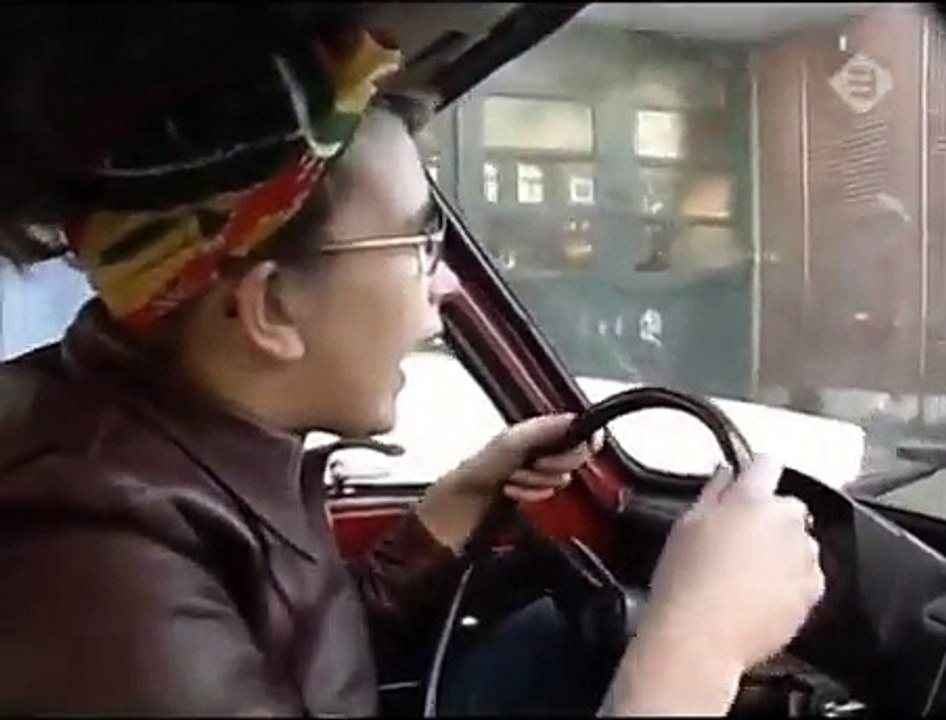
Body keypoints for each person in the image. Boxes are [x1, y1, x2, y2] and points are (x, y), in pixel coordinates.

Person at [0, 6, 824, 716]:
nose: (446, 285)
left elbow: (294, 670)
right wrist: (692, 652)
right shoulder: (91, 565)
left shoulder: (171, 445)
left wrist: (453, 508)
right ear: (272, 309)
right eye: (418, 243)